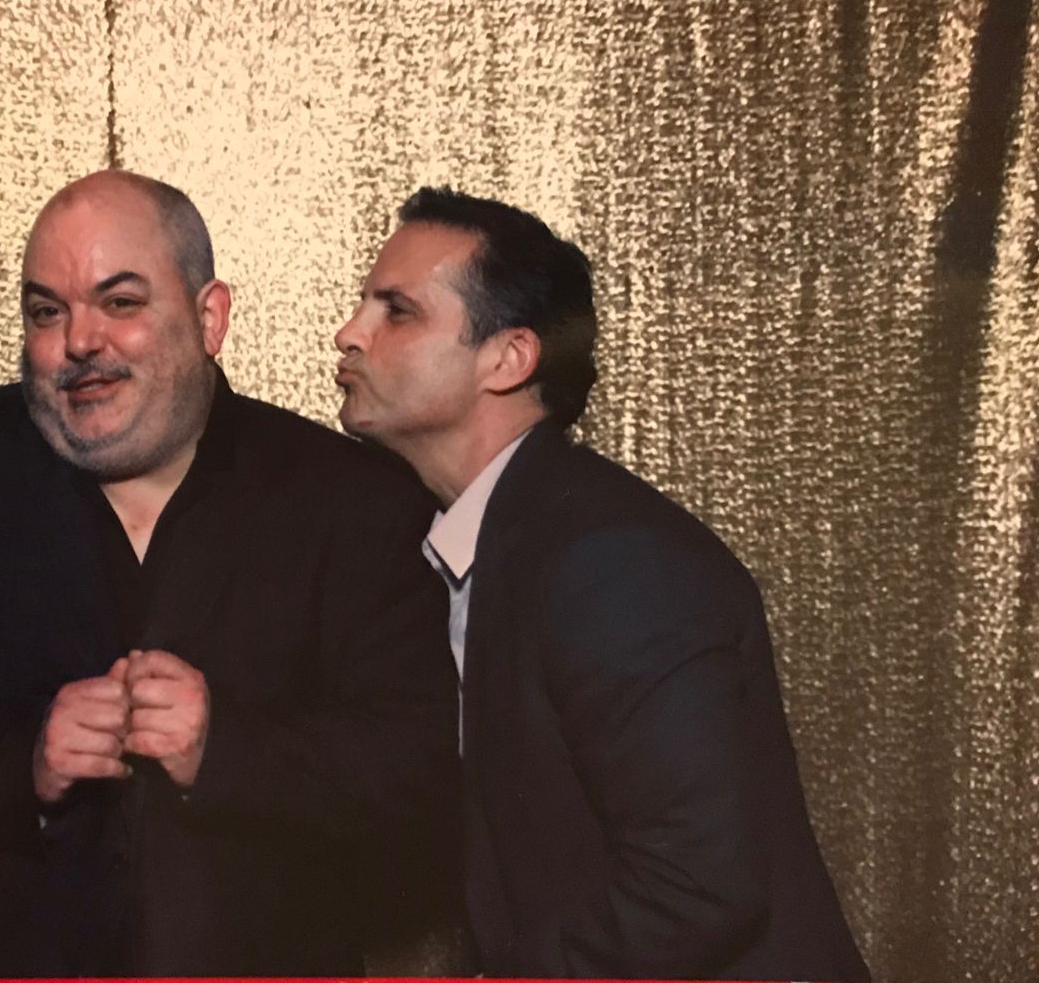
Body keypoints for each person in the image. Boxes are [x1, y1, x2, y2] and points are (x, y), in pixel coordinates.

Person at [0, 169, 457, 976]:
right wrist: (21, 764)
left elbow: (423, 768)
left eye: (120, 302)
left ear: (209, 317)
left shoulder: (353, 502)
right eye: (47, 312)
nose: (80, 342)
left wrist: (229, 751)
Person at [332, 185, 870, 980]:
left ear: (509, 358)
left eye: (398, 312)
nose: (349, 333)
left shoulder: (609, 561)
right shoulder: (498, 541)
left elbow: (697, 886)